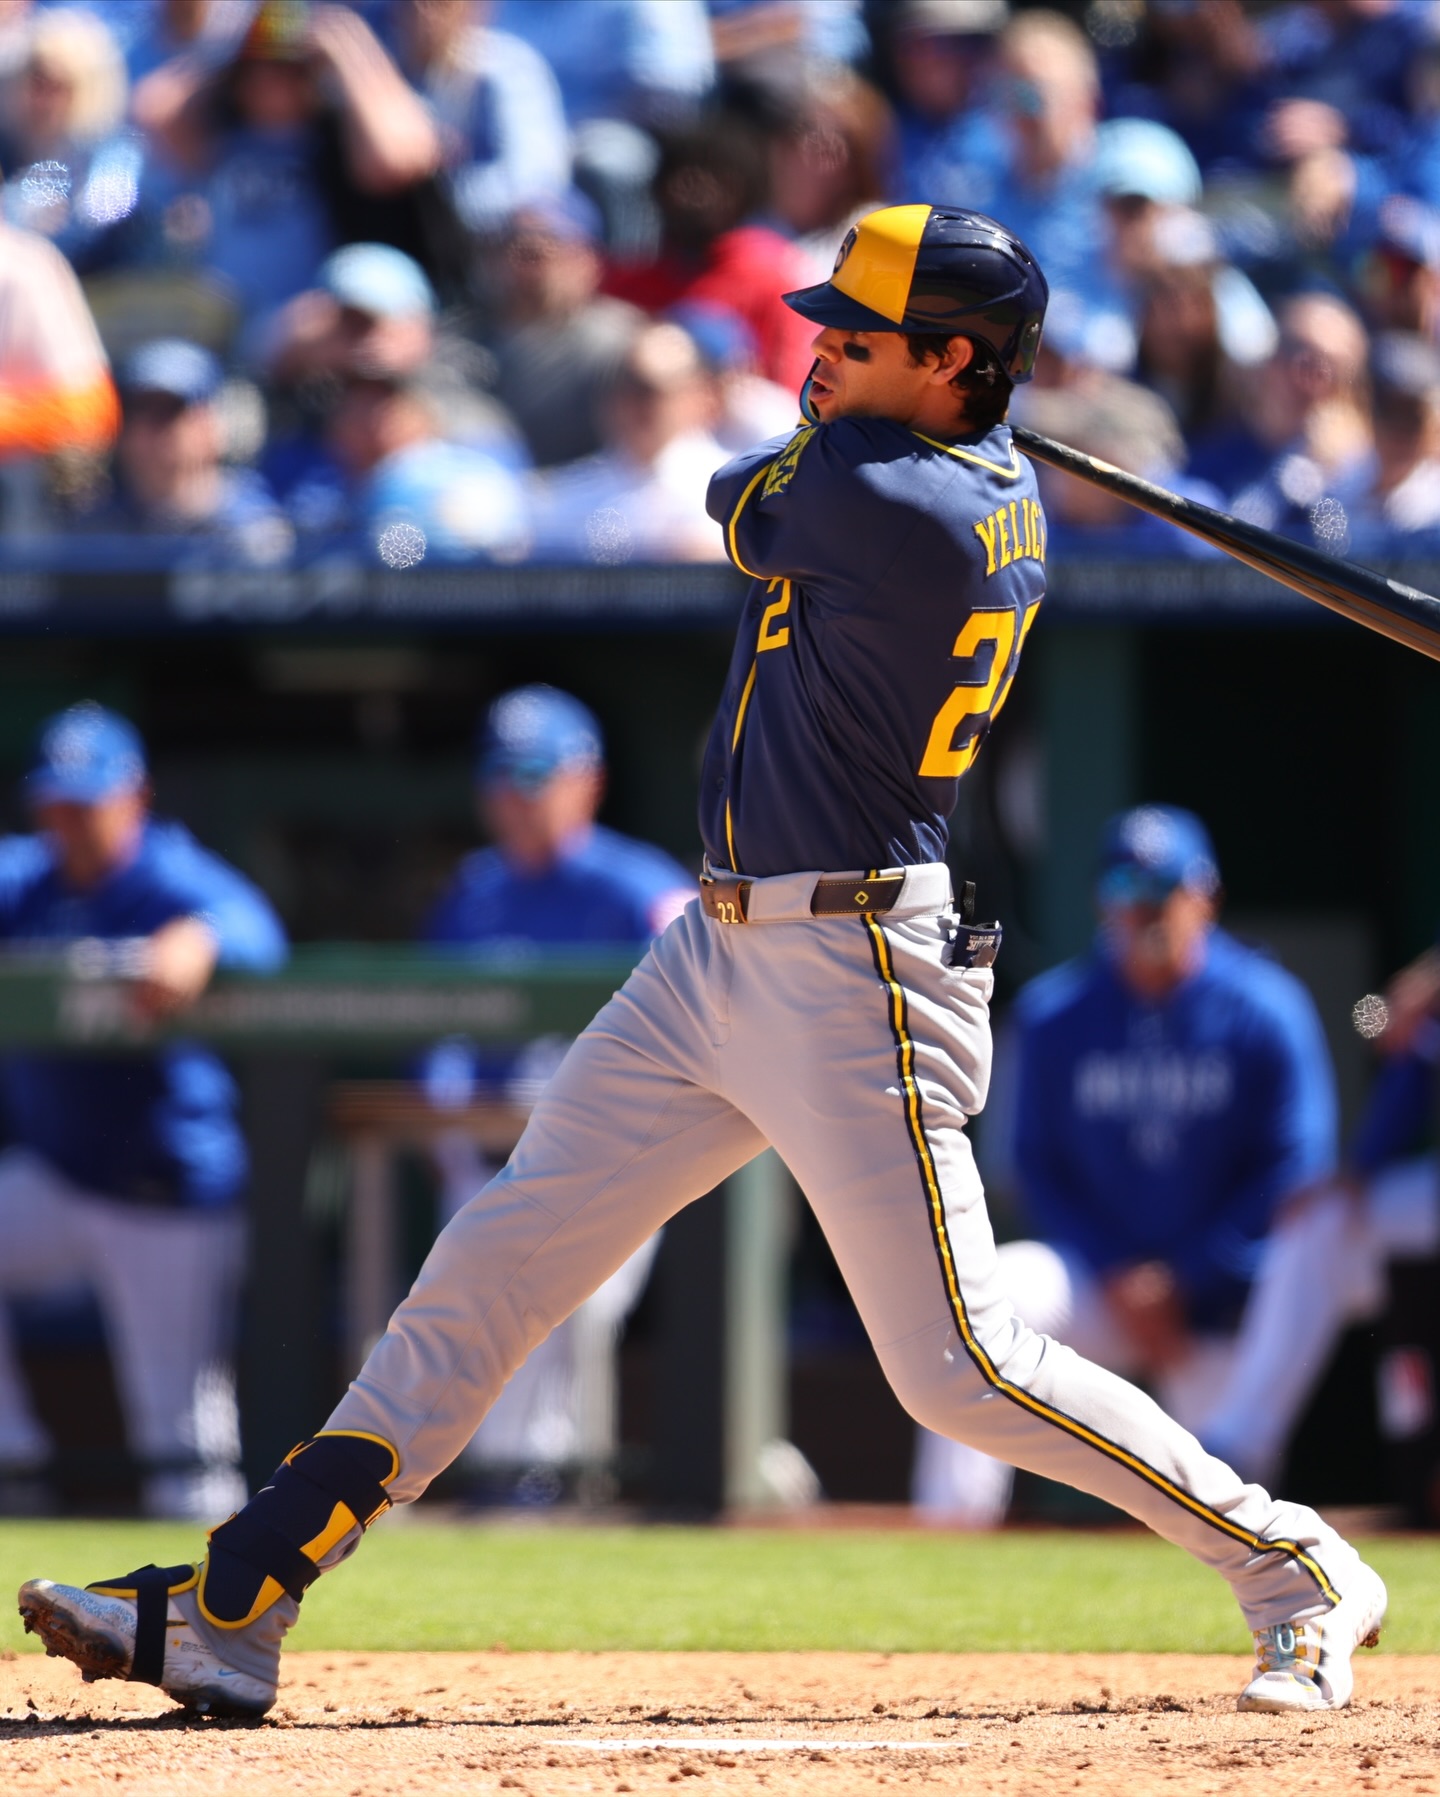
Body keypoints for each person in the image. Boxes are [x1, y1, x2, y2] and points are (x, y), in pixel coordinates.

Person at [20, 203, 1386, 1724]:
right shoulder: (952, 474)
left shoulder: (891, 495)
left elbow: (735, 497)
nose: (820, 352)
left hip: (854, 971)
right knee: (495, 1265)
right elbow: (806, 467)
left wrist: (872, 428)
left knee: (960, 1365)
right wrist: (909, 406)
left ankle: (1296, 1566)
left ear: (954, 363)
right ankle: (237, 1604)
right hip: (720, 951)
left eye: (857, 336)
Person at [913, 806, 1340, 1519]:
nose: (1143, 909)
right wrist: (1119, 1273)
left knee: (1231, 1496)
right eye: (1123, 887)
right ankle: (951, 1526)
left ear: (1205, 895)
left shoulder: (1265, 1008)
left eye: (1163, 888)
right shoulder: (1055, 1014)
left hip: (1220, 1300)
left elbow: (1294, 1168)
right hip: (1100, 1284)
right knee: (997, 1290)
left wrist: (1187, 1277)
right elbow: (1036, 1168)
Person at [0, 702, 287, 1521]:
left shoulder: (168, 873)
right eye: (57, 804)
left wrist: (200, 938)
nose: (71, 822)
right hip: (60, 1176)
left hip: (165, 1189)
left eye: (87, 803)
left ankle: (219, 1575)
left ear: (136, 796)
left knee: (181, 1436)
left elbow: (256, 928)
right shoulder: (31, 877)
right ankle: (13, 1468)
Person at [420, 684, 692, 1501]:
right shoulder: (474, 890)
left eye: (535, 774)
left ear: (588, 780)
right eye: (500, 776)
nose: (516, 796)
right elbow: (433, 1028)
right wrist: (445, 1133)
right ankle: (508, 1492)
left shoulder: (637, 885)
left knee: (570, 1315)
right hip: (488, 1157)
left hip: (609, 1162)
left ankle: (545, 1490)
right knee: (466, 1327)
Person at [76, 336, 291, 567]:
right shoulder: (96, 526)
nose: (144, 429)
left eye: (166, 412)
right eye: (133, 411)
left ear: (210, 424)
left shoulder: (250, 529)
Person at [527, 319, 727, 563]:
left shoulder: (732, 490)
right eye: (630, 387)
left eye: (656, 392)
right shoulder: (561, 499)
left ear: (699, 396)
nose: (641, 405)